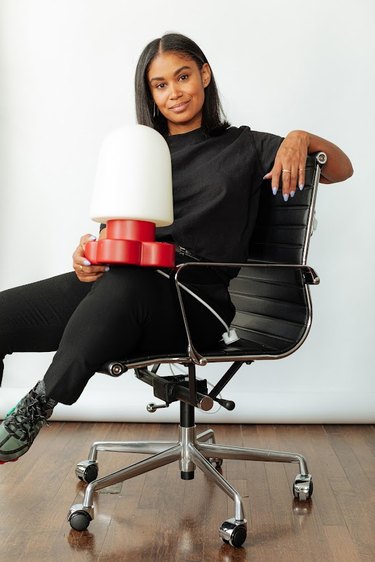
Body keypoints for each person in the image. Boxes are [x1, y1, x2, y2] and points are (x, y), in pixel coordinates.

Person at [0, 33, 353, 464]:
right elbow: (121, 229)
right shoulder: (143, 153)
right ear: (150, 94)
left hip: (195, 303)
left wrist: (301, 137)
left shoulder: (245, 146)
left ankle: (37, 405)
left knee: (128, 284)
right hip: (123, 287)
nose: (174, 92)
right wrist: (87, 251)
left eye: (182, 76)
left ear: (204, 74)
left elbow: (341, 169)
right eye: (160, 85)